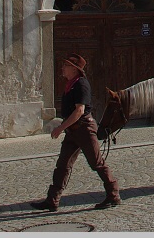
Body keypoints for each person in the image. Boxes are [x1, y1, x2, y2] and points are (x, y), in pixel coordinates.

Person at [30, 53, 122, 212]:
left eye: (66, 65)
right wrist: (65, 127)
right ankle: (52, 200)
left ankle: (113, 194)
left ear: (74, 69)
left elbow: (79, 111)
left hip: (84, 129)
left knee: (97, 163)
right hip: (73, 131)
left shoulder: (81, 84)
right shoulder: (71, 84)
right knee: (62, 165)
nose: (62, 68)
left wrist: (60, 128)